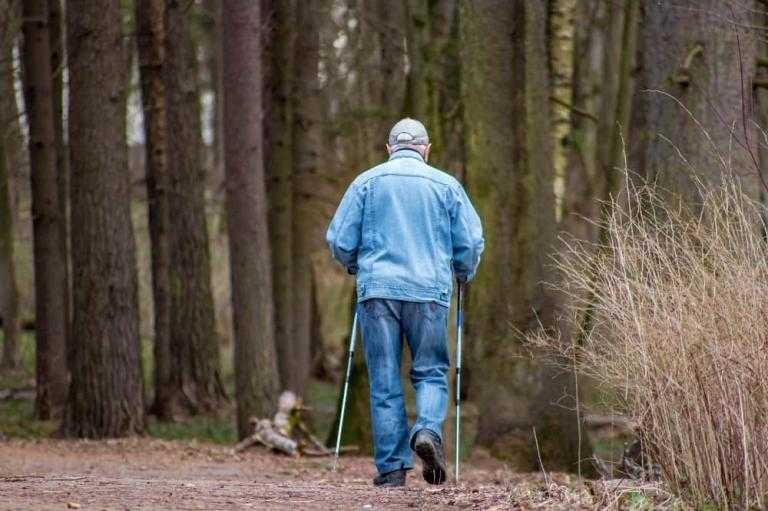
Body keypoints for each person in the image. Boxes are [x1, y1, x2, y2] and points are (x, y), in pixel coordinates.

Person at [326, 118, 484, 487]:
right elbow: (472, 242)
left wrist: (355, 264)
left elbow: (339, 239)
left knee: (384, 379)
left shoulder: (366, 182)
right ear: (426, 149)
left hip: (378, 292)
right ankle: (426, 431)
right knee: (430, 371)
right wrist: (463, 271)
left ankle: (392, 470)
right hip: (429, 291)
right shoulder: (447, 185)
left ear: (389, 148)